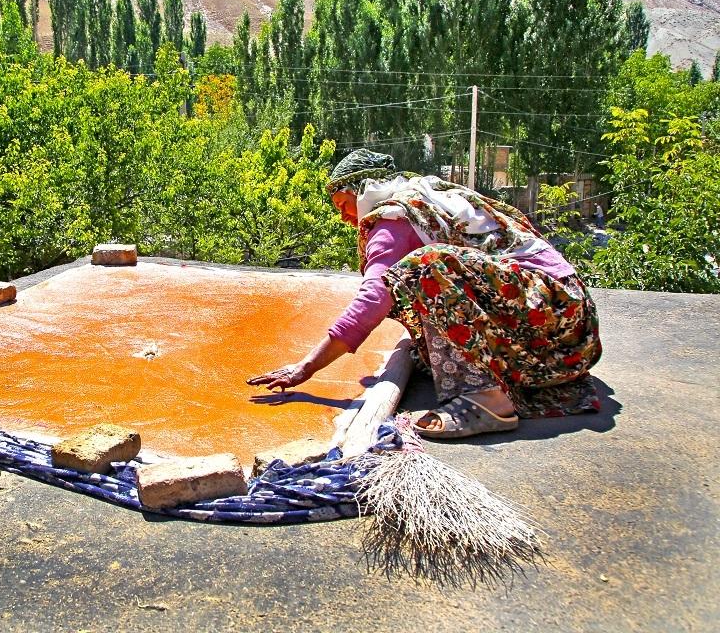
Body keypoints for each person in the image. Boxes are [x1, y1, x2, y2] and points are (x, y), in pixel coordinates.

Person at [247, 149, 602, 438]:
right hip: (568, 333)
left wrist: (306, 368)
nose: (344, 218)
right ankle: (486, 381)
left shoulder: (394, 220)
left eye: (343, 204)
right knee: (421, 281)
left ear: (362, 190)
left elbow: (374, 297)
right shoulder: (429, 200)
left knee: (426, 266)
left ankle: (485, 398)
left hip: (550, 323)